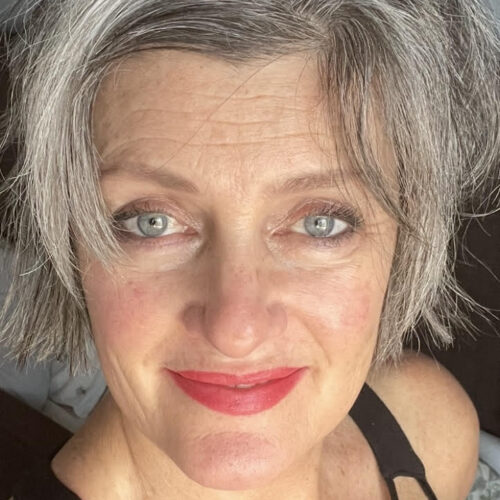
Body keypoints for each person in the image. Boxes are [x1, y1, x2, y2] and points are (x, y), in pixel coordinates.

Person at [0, 0, 498, 498]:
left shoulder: (428, 429)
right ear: (72, 242)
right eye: (152, 222)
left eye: (320, 223)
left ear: (403, 238)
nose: (236, 332)